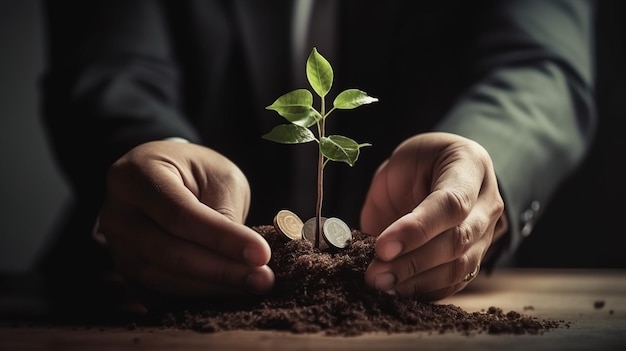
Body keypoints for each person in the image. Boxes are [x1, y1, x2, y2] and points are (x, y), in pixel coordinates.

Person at [37, 0, 596, 313]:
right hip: (131, 300)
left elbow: (540, 68)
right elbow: (109, 66)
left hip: (417, 299)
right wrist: (150, 152)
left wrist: (477, 159)